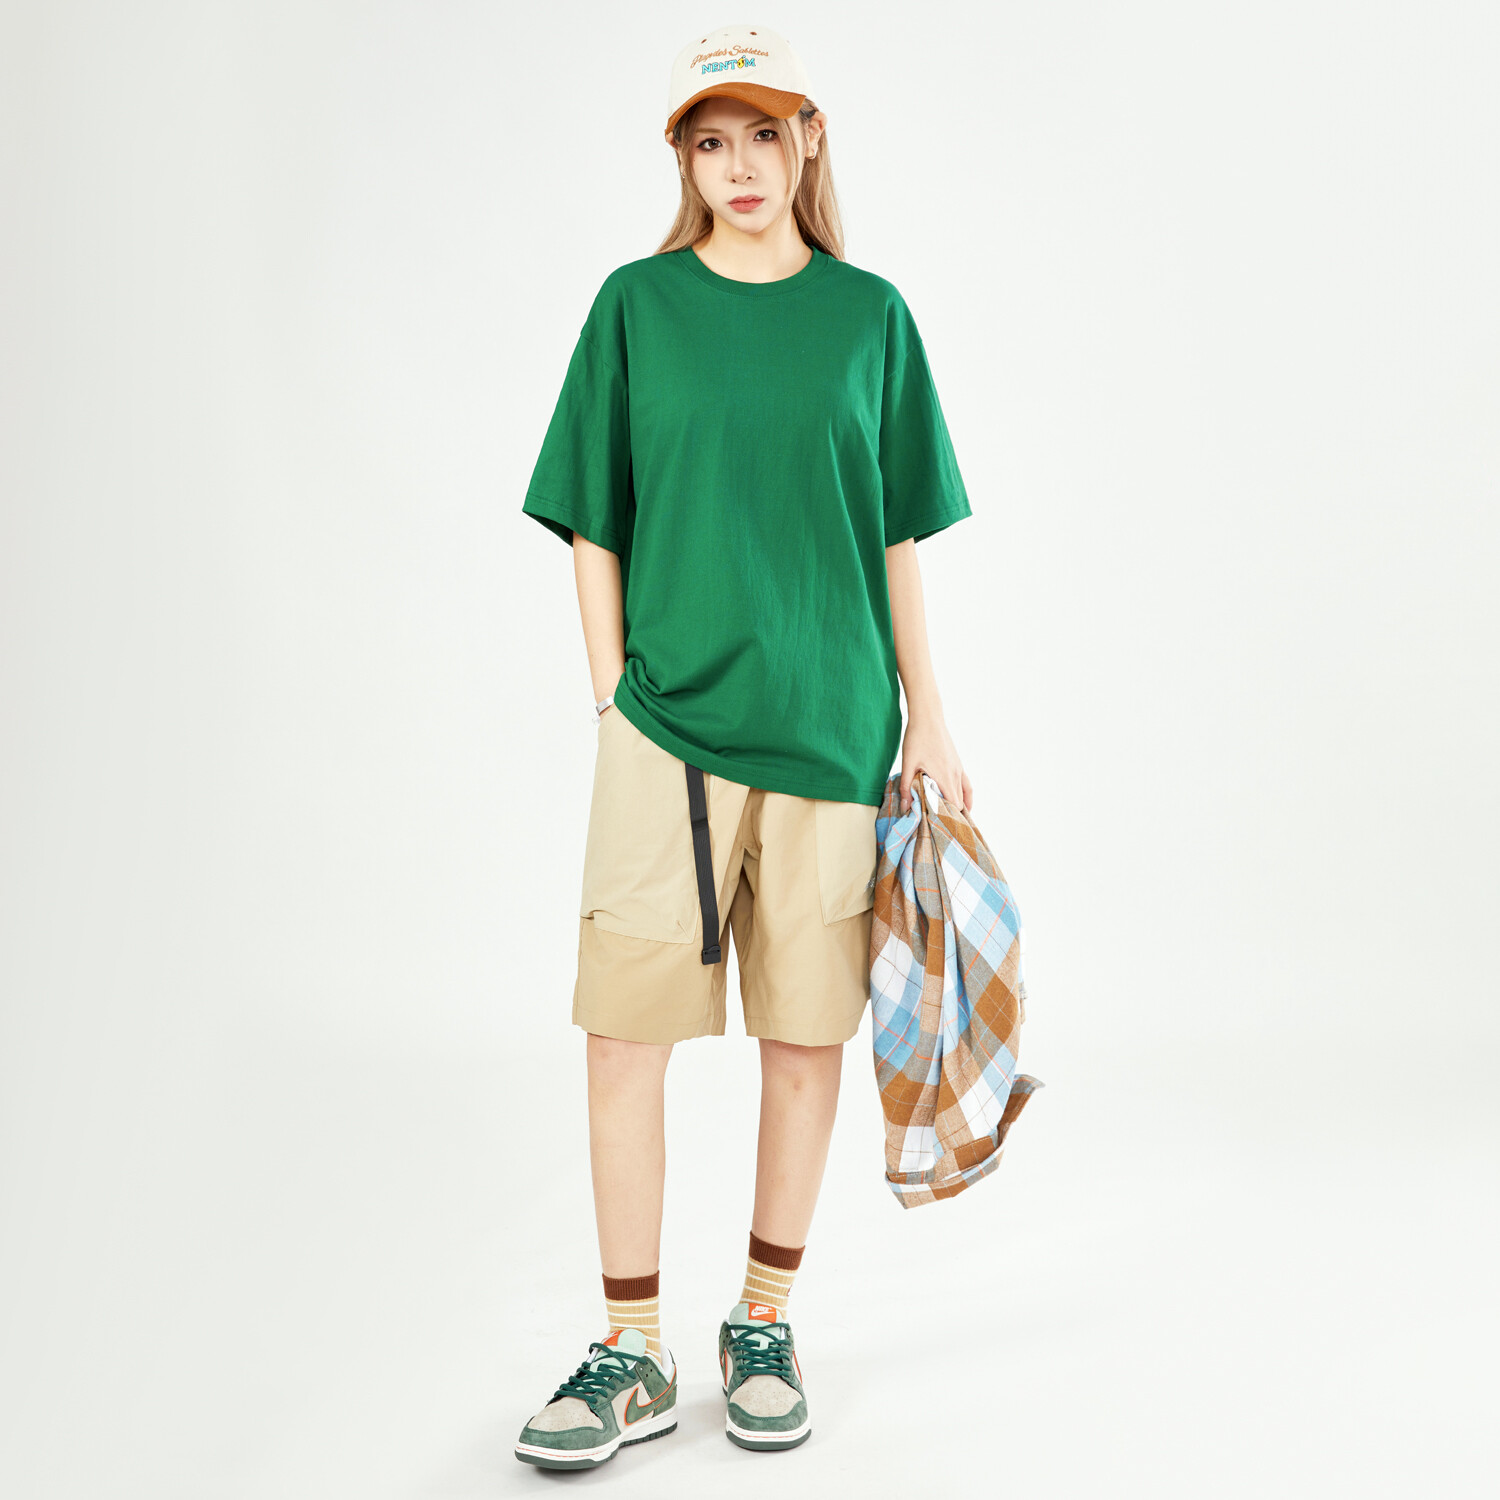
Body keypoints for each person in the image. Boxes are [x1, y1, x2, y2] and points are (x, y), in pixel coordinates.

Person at [513, 22, 975, 1470]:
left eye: (762, 135)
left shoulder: (870, 317)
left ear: (808, 139)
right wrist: (612, 695)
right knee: (622, 1036)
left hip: (833, 734)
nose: (739, 166)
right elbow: (592, 516)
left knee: (804, 1037)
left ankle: (763, 1321)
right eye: (710, 142)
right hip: (667, 732)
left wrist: (931, 711)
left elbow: (894, 533)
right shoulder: (637, 306)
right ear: (685, 160)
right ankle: (631, 1349)